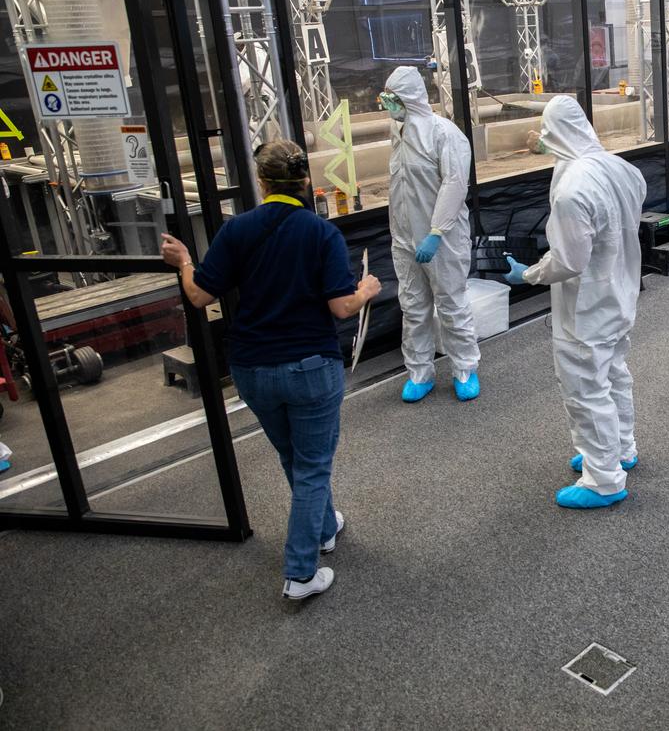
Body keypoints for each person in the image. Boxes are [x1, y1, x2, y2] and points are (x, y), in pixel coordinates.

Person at [161, 140, 381, 601]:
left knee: (295, 458)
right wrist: (366, 289)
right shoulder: (321, 234)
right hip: (311, 368)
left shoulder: (237, 230)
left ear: (262, 183)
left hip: (253, 370)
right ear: (305, 182)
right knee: (314, 466)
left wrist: (183, 262)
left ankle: (324, 527)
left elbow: (200, 296)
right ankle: (301, 572)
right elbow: (342, 307)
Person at [502, 96, 646, 509]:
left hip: (586, 309)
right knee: (615, 373)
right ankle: (620, 449)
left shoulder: (572, 190)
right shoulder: (623, 169)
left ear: (555, 134)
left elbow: (568, 260)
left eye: (544, 134)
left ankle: (603, 479)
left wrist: (526, 274)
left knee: (586, 388)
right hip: (619, 293)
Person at [381, 66, 481, 403]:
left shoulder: (444, 133)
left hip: (442, 241)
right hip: (405, 241)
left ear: (407, 97)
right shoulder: (399, 132)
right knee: (413, 308)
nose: (387, 105)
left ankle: (465, 368)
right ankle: (420, 371)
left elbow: (454, 185)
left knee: (451, 305)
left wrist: (436, 232)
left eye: (392, 98)